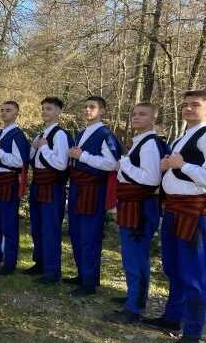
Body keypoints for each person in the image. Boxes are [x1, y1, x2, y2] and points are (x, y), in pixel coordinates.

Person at [142, 90, 206, 343]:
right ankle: (172, 317)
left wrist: (182, 166)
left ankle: (192, 332)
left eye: (195, 105)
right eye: (185, 105)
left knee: (193, 274)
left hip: (194, 212)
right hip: (173, 209)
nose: (188, 109)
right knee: (173, 268)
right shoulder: (183, 137)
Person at [103, 102, 167, 324]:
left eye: (143, 114)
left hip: (140, 207)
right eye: (134, 114)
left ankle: (134, 308)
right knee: (132, 255)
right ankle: (133, 297)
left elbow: (151, 179)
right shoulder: (140, 142)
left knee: (136, 256)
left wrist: (124, 164)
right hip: (132, 204)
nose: (136, 117)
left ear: (153, 119)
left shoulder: (149, 144)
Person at [66, 96, 122, 297]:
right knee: (76, 232)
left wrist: (83, 156)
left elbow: (112, 163)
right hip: (77, 187)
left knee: (89, 234)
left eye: (93, 107)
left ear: (103, 111)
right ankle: (83, 274)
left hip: (93, 189)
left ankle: (89, 282)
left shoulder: (105, 134)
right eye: (86, 107)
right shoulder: (82, 133)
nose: (88, 110)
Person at [24, 97, 73, 284]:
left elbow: (61, 164)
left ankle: (52, 272)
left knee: (50, 229)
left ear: (58, 111)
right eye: (43, 108)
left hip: (52, 187)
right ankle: (40, 263)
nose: (44, 112)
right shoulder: (40, 135)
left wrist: (43, 148)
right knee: (37, 227)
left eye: (49, 109)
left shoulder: (60, 135)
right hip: (37, 184)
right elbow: (31, 160)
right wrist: (35, 148)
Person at [0, 101, 30, 273]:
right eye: (2, 110)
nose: (4, 113)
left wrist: (0, 153)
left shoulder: (18, 136)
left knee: (9, 224)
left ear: (16, 113)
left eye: (8, 110)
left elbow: (20, 162)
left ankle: (10, 262)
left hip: (8, 181)